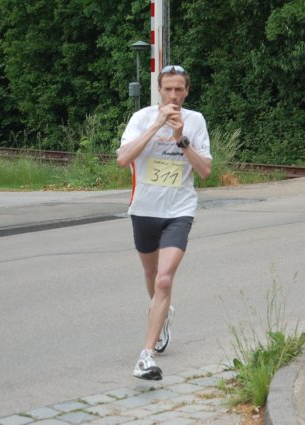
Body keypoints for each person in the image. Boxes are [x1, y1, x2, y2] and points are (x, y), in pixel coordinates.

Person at [117, 65, 212, 379]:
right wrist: (157, 124)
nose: (173, 95)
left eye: (179, 89)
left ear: (187, 91)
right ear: (159, 90)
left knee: (164, 280)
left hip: (179, 210)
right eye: (168, 89)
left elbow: (205, 172)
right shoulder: (141, 118)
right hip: (144, 209)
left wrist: (180, 139)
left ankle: (146, 355)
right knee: (150, 273)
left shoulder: (195, 120)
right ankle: (163, 313)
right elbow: (123, 159)